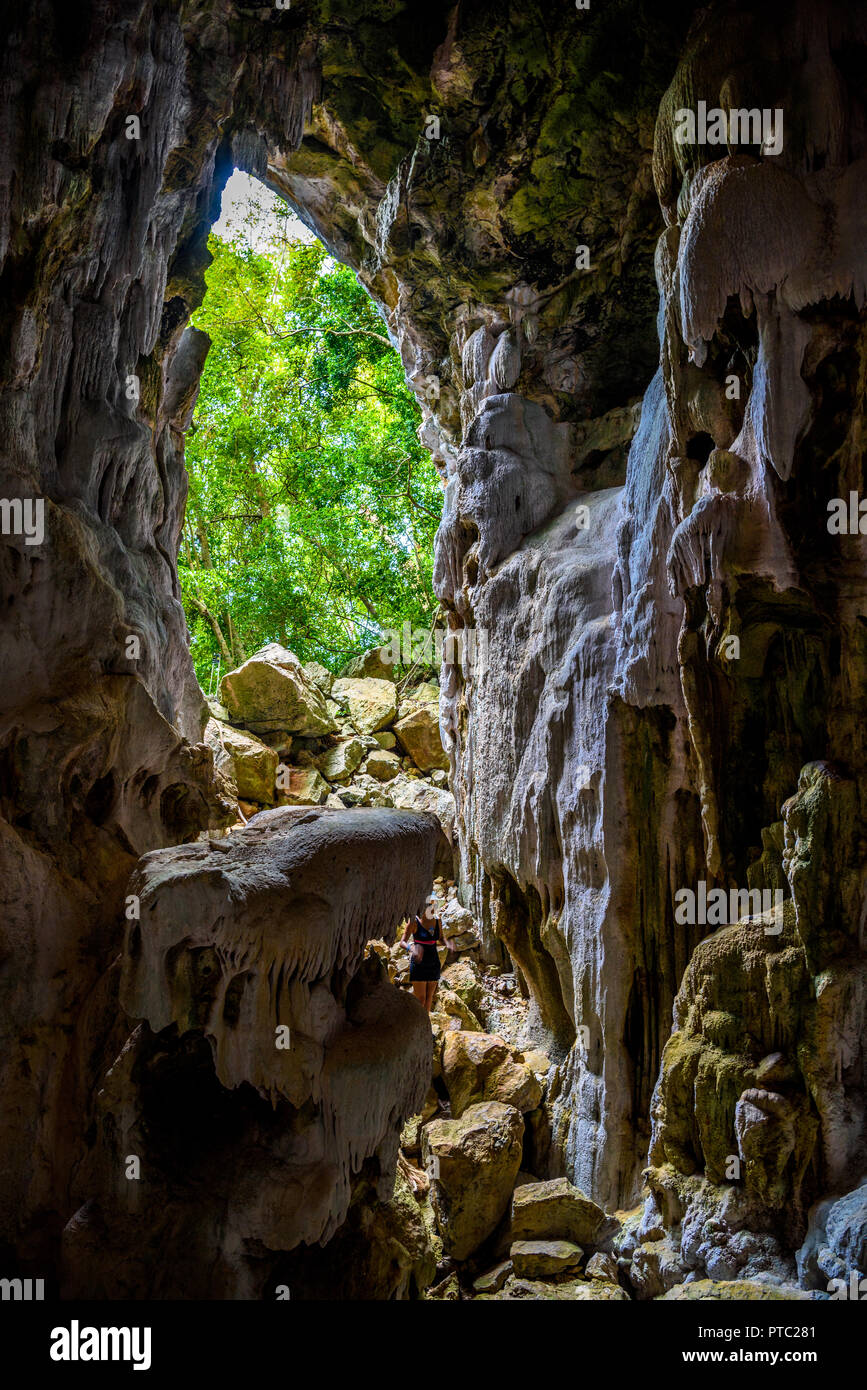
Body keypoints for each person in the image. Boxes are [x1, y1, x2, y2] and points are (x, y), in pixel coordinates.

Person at [402, 893, 445, 1013]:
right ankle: (417, 1027)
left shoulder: (437, 921)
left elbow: (441, 938)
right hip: (419, 963)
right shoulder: (414, 921)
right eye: (430, 904)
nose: (432, 907)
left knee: (429, 998)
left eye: (434, 904)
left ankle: (426, 1028)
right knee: (420, 999)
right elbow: (403, 942)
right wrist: (411, 949)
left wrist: (450, 943)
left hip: (433, 963)